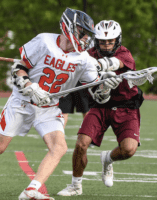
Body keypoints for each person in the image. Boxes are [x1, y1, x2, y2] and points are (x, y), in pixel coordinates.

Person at [0, 9, 122, 200]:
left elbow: (98, 97)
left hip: (49, 107)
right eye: (83, 33)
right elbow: (19, 68)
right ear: (69, 28)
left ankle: (31, 190)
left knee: (59, 147)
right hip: (22, 102)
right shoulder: (44, 41)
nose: (85, 39)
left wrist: (106, 87)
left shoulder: (84, 59)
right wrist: (30, 86)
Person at [57, 20, 144, 196]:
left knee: (128, 150)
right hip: (100, 105)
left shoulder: (124, 54)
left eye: (110, 41)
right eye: (102, 41)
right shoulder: (88, 54)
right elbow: (77, 75)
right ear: (96, 41)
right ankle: (75, 185)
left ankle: (107, 159)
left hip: (126, 106)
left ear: (117, 40)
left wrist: (99, 67)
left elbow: (116, 63)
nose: (106, 45)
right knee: (81, 144)